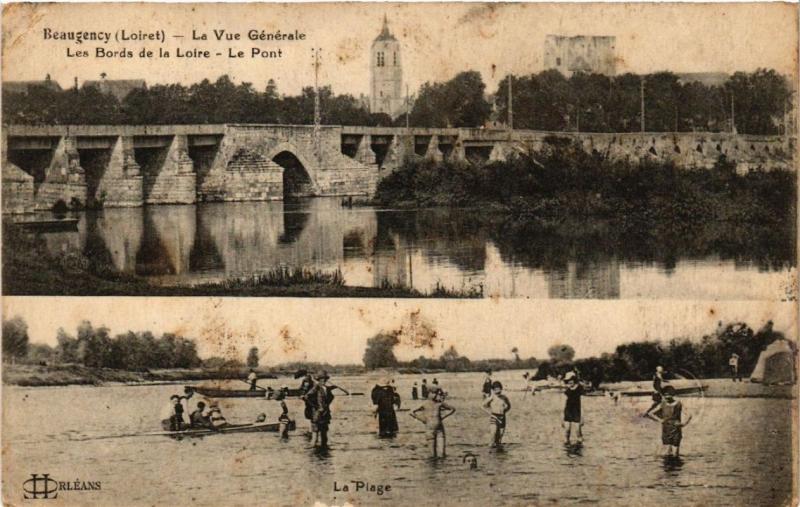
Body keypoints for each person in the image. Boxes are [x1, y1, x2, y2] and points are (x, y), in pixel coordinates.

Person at [303, 371, 349, 449]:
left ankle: (324, 450)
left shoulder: (327, 388)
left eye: (325, 379)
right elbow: (307, 397)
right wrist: (316, 407)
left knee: (324, 431)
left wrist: (338, 387)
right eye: (322, 379)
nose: (323, 380)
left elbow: (344, 392)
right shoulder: (316, 387)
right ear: (319, 379)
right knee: (315, 431)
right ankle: (313, 448)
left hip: (326, 413)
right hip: (317, 413)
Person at [646, 385, 692, 457]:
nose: (666, 397)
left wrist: (684, 424)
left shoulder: (678, 404)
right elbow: (650, 413)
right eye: (665, 395)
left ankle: (676, 466)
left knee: (675, 452)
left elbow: (689, 415)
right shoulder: (663, 404)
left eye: (668, 395)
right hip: (666, 428)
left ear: (672, 394)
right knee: (667, 452)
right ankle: (668, 466)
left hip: (675, 428)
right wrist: (660, 420)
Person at [410, 386, 455, 458]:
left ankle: (441, 468)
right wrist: (422, 419)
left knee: (442, 454)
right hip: (430, 429)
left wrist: (443, 417)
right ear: (429, 393)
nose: (437, 395)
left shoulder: (439, 404)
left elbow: (452, 409)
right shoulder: (425, 404)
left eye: (437, 394)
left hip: (439, 429)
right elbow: (411, 412)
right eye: (435, 393)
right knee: (432, 455)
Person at [482, 381, 511, 447]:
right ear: (493, 390)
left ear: (501, 389)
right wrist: (489, 413)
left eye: (499, 389)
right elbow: (482, 405)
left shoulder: (504, 397)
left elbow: (509, 406)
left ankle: (498, 455)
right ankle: (490, 452)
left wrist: (505, 411)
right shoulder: (492, 397)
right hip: (494, 416)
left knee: (499, 438)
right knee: (493, 435)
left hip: (502, 417)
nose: (497, 391)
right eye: (495, 390)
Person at [562, 372, 584, 444]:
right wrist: (562, 418)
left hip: (577, 411)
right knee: (567, 431)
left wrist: (582, 417)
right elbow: (564, 403)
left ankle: (579, 448)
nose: (569, 382)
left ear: (574, 379)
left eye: (571, 380)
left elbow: (583, 403)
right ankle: (567, 450)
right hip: (568, 411)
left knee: (578, 431)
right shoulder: (567, 390)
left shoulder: (580, 388)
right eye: (568, 381)